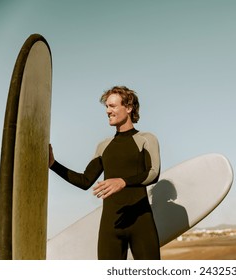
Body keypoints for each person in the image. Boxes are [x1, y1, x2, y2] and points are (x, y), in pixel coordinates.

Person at [49, 86, 161, 260]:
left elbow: (153, 173)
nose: (108, 111)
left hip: (141, 222)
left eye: (113, 106)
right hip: (111, 225)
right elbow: (85, 181)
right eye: (107, 107)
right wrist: (53, 164)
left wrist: (123, 182)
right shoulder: (104, 146)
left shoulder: (146, 139)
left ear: (129, 108)